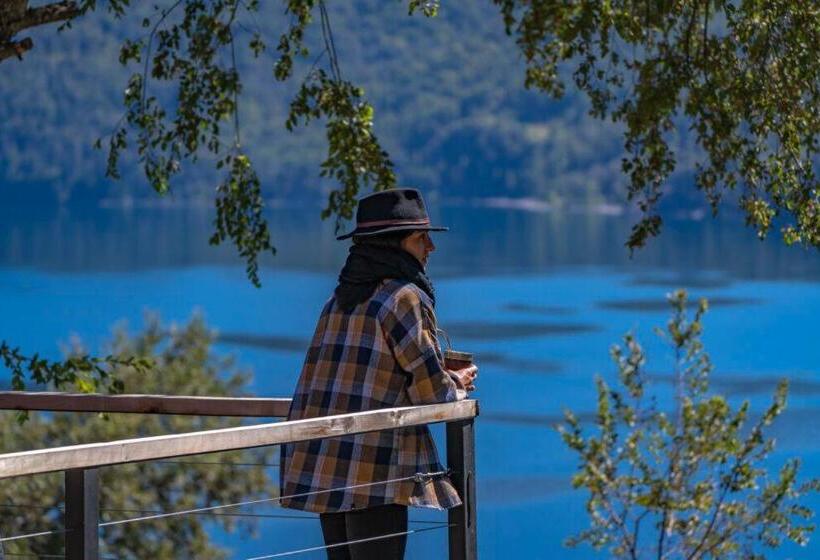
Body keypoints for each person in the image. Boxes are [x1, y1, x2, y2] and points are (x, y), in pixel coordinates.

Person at [280, 188, 478, 560]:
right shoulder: (403, 297)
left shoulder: (338, 301)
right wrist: (458, 382)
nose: (431, 247)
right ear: (393, 245)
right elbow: (432, 392)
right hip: (374, 465)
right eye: (420, 238)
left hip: (327, 462)